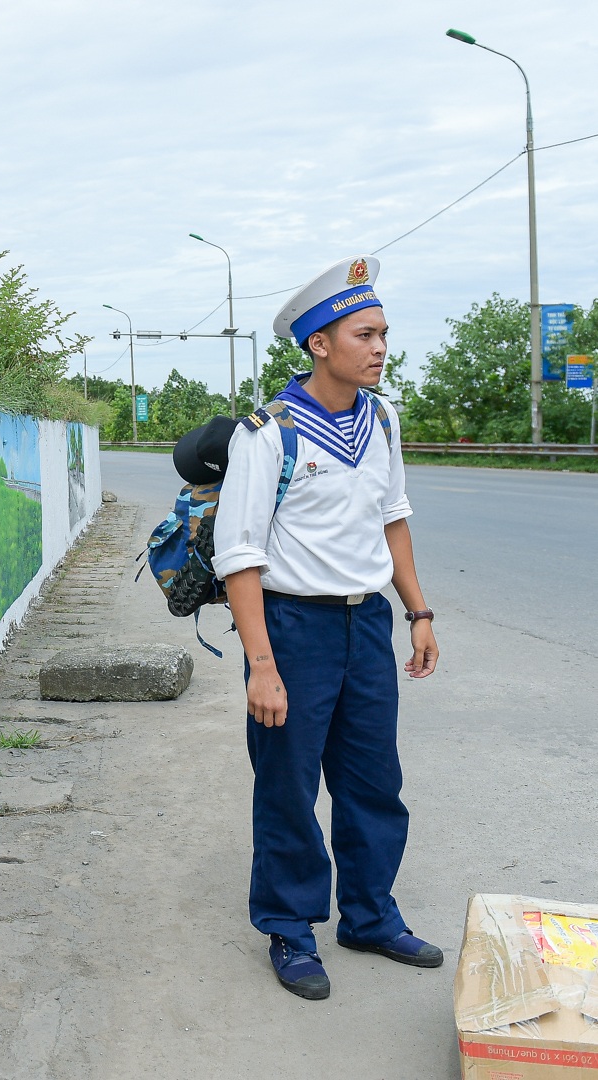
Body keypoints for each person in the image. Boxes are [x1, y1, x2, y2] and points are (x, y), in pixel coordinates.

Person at [212, 255, 442, 1002]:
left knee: (375, 783)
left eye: (383, 334)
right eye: (364, 334)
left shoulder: (382, 419)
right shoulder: (268, 434)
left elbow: (393, 517)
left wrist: (418, 612)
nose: (379, 348)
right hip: (292, 627)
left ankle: (371, 916)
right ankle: (289, 927)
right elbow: (239, 555)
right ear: (319, 344)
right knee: (287, 785)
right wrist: (262, 664)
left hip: (365, 626)